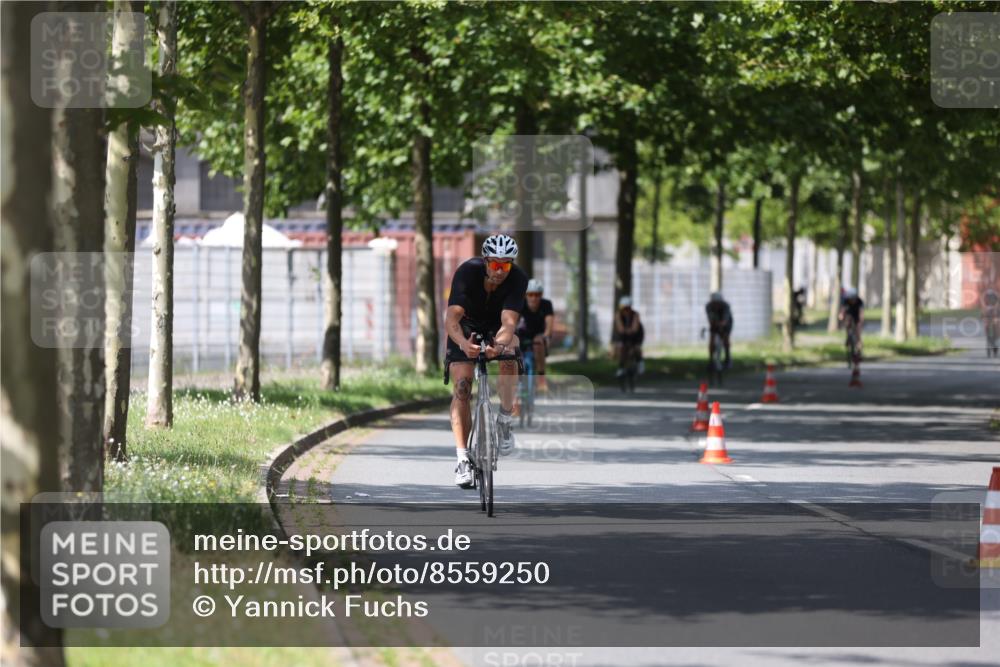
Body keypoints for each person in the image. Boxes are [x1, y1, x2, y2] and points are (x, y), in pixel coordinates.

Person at [444, 233, 527, 488]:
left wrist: (499, 346)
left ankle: (504, 416)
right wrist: (462, 344)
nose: (500, 271)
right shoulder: (467, 272)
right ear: (486, 261)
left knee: (511, 352)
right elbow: (451, 320)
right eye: (495, 264)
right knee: (462, 387)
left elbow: (509, 323)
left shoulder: (517, 279)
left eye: (506, 265)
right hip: (465, 327)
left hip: (496, 328)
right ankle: (462, 460)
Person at [515, 279, 555, 391]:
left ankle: (541, 378)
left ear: (541, 295)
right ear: (526, 295)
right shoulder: (520, 304)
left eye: (537, 295)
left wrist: (546, 336)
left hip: (540, 335)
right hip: (523, 335)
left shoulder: (546, 304)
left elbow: (549, 323)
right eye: (530, 294)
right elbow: (513, 322)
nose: (534, 298)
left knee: (538, 344)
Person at [612, 296, 644, 376]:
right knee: (621, 348)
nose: (624, 311)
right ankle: (621, 368)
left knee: (636, 348)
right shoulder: (618, 314)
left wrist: (628, 330)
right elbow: (620, 328)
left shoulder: (635, 314)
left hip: (637, 334)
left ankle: (640, 362)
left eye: (626, 308)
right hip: (624, 335)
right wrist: (626, 331)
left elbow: (635, 328)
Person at [704, 292, 733, 369]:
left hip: (727, 322)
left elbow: (725, 319)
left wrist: (722, 326)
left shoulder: (726, 306)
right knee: (712, 338)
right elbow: (710, 319)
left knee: (725, 337)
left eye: (718, 303)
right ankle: (711, 360)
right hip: (715, 321)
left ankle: (727, 358)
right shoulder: (708, 306)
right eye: (714, 303)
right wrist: (714, 327)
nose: (716, 305)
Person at [839, 287, 865, 360]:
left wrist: (861, 320)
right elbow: (842, 310)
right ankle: (848, 339)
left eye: (853, 298)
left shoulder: (859, 301)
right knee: (847, 325)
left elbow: (861, 312)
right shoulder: (846, 301)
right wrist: (841, 315)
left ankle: (859, 350)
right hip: (849, 317)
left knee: (858, 333)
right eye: (851, 298)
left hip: (857, 317)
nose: (852, 300)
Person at [981, 287, 999, 357]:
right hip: (988, 322)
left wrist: (996, 319)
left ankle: (995, 346)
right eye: (988, 298)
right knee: (988, 334)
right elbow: (983, 315)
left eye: (992, 298)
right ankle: (989, 343)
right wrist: (984, 319)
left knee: (996, 334)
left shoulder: (997, 308)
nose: (990, 300)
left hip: (995, 322)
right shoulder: (985, 308)